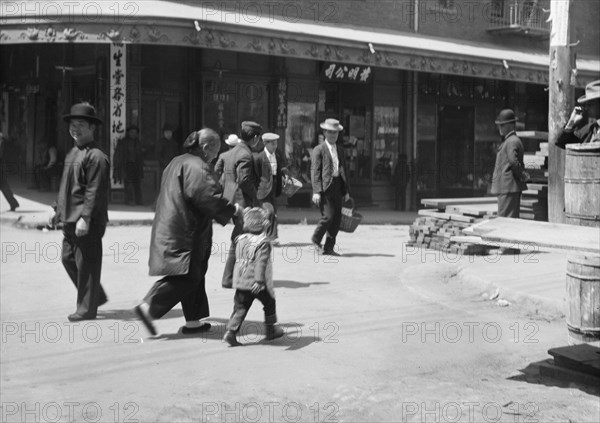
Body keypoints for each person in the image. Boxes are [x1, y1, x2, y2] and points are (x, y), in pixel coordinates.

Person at [134, 128, 242, 336]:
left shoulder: (178, 161)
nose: (215, 157)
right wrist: (234, 210)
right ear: (205, 148)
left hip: (174, 224)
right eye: (215, 151)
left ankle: (193, 321)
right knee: (189, 275)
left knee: (196, 273)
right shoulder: (197, 166)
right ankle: (149, 307)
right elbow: (206, 196)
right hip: (185, 230)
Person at [50, 103, 110, 321]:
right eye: (72, 125)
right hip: (69, 218)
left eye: (81, 125)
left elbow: (95, 190)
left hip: (86, 221)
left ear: (92, 128)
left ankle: (86, 309)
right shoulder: (73, 152)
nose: (75, 129)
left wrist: (85, 217)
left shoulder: (97, 156)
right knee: (68, 259)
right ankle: (95, 296)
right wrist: (58, 209)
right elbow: (67, 185)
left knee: (87, 263)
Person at [223, 206, 284, 346]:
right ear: (264, 225)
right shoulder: (263, 243)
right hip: (256, 284)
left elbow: (234, 259)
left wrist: (231, 279)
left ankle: (231, 332)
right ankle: (270, 330)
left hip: (241, 282)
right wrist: (259, 281)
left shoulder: (239, 239)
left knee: (240, 308)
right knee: (269, 303)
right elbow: (260, 263)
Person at [221, 121, 262, 288]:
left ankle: (231, 277)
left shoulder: (233, 152)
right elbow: (244, 180)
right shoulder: (245, 154)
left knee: (239, 238)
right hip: (242, 202)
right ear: (255, 138)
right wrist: (256, 196)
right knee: (244, 238)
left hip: (232, 198)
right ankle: (232, 277)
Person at [310, 118, 351, 256]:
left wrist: (346, 191)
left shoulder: (340, 150)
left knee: (337, 218)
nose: (333, 135)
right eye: (330, 132)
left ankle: (329, 247)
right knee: (328, 216)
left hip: (338, 185)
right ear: (325, 133)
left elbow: (343, 170)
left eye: (336, 133)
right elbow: (315, 171)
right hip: (325, 187)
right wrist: (316, 191)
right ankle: (316, 239)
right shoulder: (319, 149)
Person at [490, 109, 528, 218]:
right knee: (507, 219)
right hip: (508, 188)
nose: (499, 128)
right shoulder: (510, 140)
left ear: (511, 125)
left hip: (509, 187)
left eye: (502, 125)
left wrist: (523, 176)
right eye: (499, 125)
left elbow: (513, 162)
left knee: (505, 220)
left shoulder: (512, 141)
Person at [254, 132, 288, 241]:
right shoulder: (259, 157)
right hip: (263, 190)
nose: (275, 146)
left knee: (273, 213)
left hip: (274, 188)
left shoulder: (277, 156)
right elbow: (255, 175)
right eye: (272, 143)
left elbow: (280, 169)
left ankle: (269, 236)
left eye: (276, 143)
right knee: (270, 212)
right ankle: (269, 236)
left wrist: (284, 175)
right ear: (265, 143)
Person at [556, 80, 600, 148]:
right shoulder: (590, 129)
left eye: (590, 104)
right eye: (585, 105)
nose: (586, 108)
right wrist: (571, 123)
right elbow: (562, 143)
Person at [113, 125, 144, 205]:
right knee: (128, 184)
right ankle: (129, 201)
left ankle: (138, 201)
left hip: (136, 166)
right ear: (128, 133)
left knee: (137, 184)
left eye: (135, 132)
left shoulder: (138, 142)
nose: (133, 134)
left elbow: (140, 155)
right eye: (132, 132)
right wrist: (117, 166)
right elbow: (118, 155)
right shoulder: (123, 142)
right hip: (127, 166)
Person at [0, 132, 20, 211]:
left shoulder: (3, 143)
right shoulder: (3, 142)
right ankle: (13, 203)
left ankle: (13, 204)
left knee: (4, 186)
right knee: (4, 187)